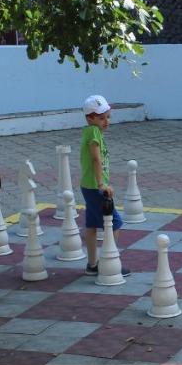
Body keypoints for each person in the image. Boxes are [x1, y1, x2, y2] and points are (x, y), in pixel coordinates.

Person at [79, 94, 129, 276]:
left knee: (92, 225)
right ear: (89, 118)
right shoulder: (93, 132)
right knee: (115, 222)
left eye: (108, 117)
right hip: (95, 186)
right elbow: (95, 159)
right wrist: (102, 184)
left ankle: (92, 264)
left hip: (88, 185)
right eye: (101, 118)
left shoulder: (92, 131)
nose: (106, 121)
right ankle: (110, 262)